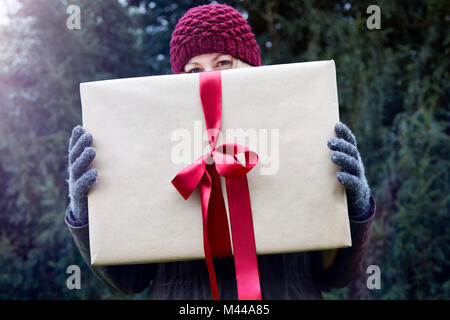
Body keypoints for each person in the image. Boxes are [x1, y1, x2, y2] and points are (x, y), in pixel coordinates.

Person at [65, 3, 376, 299]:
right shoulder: (149, 153)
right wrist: (88, 213)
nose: (208, 77)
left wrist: (355, 205)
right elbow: (129, 281)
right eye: (193, 70)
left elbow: (334, 275)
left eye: (223, 63)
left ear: (251, 68)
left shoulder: (300, 131)